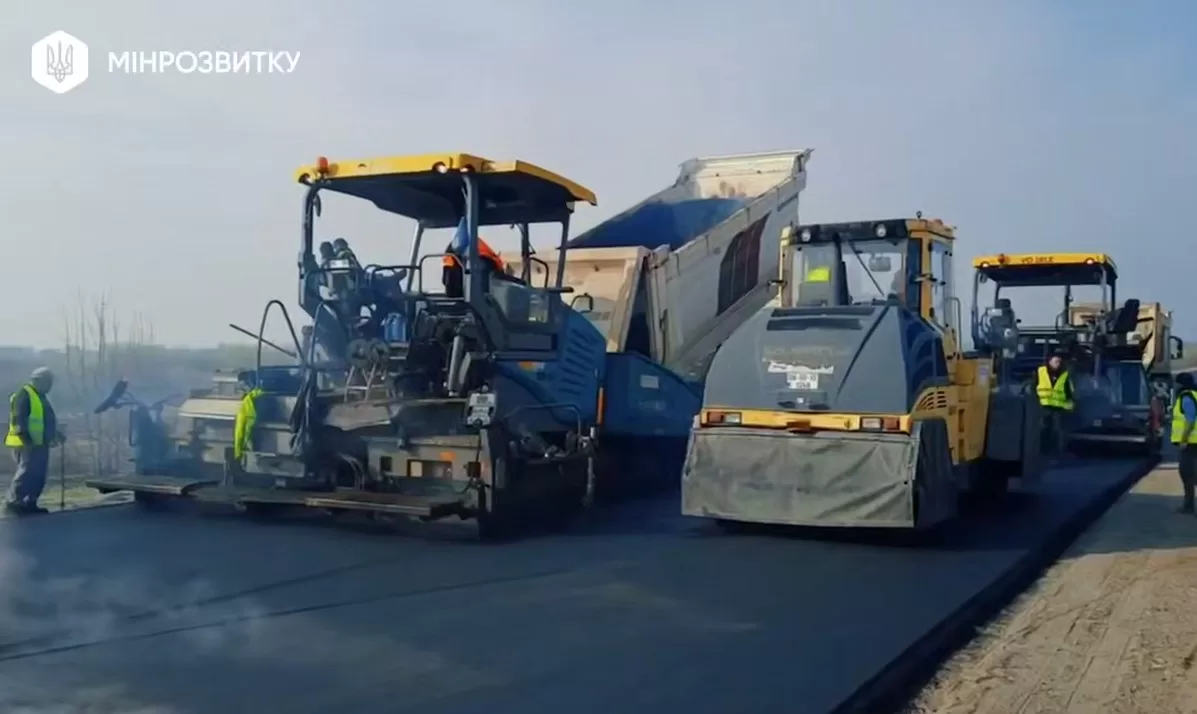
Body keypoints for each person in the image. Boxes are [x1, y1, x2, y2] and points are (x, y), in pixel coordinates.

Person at [4, 367, 63, 515]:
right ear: (38, 381)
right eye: (47, 382)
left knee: (38, 475)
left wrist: (56, 434)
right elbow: (18, 417)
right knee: (27, 473)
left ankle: (30, 502)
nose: (49, 386)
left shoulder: (41, 397)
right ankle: (14, 502)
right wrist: (24, 437)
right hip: (27, 443)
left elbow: (44, 420)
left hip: (40, 443)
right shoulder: (24, 394)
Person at [1035, 351, 1075, 457]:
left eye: (1059, 362)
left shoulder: (1064, 374)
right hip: (1043, 405)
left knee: (1056, 430)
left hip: (1057, 406)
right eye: (1056, 361)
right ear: (1050, 361)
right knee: (1043, 428)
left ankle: (1054, 452)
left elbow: (1068, 391)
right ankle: (1042, 450)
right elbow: (1034, 387)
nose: (1058, 364)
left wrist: (1070, 403)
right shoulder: (1040, 371)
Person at [1170, 372, 1197, 514]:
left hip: (1191, 443)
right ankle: (1188, 505)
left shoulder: (1186, 397)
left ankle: (1189, 505)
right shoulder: (1194, 394)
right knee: (1189, 474)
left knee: (1187, 473)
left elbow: (1190, 420)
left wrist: (1183, 439)